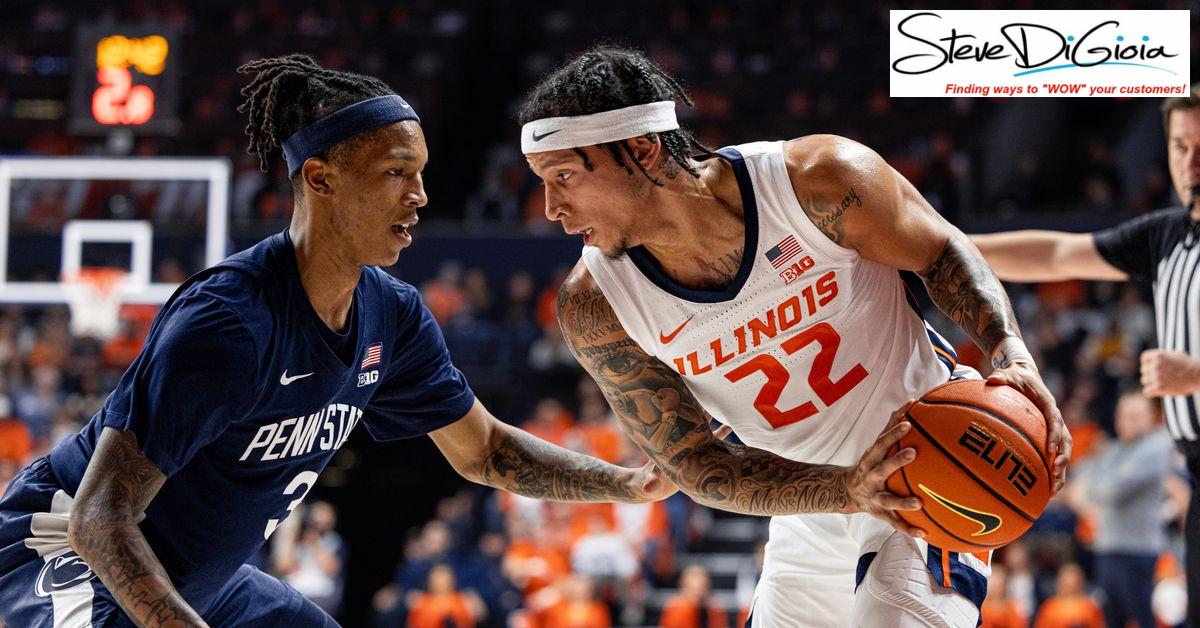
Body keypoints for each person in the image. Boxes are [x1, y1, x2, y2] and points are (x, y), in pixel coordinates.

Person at [0, 54, 686, 628]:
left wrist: (626, 483)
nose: (419, 195)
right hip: (63, 555)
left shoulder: (393, 316)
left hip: (199, 579)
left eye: (420, 173)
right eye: (396, 173)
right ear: (321, 179)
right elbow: (101, 515)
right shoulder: (228, 324)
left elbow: (486, 451)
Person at [521, 47, 1069, 627]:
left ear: (641, 150)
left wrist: (1012, 353)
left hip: (932, 467)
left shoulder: (820, 182)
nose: (552, 208)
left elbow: (942, 251)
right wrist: (845, 492)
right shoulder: (597, 305)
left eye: (565, 177)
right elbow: (695, 463)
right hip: (811, 505)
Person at [970, 85, 1200, 626]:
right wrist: (945, 245)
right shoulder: (1167, 236)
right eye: (1180, 147)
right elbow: (1058, 252)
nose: (1191, 162)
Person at [1073, 391, 1174, 627]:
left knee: (1142, 618)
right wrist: (1095, 486)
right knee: (1112, 619)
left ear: (1151, 417)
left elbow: (1112, 489)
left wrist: (1096, 485)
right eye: (1124, 414)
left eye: (1136, 415)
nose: (1129, 420)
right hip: (1108, 547)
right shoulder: (1115, 450)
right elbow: (1086, 484)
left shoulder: (1157, 446)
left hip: (1137, 550)